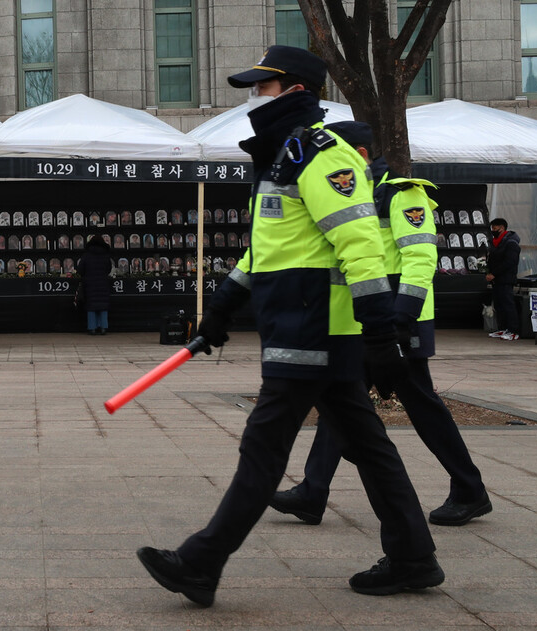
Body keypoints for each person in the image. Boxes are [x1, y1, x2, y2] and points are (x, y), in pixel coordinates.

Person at [136, 45, 442, 606]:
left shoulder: (322, 154)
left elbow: (360, 245)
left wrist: (379, 327)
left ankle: (201, 561)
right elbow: (267, 250)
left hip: (313, 328)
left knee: (263, 445)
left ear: (295, 90)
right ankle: (413, 557)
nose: (255, 97)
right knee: (369, 445)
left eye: (263, 87)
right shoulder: (284, 156)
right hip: (300, 325)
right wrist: (221, 309)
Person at [269, 121, 491, 531]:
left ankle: (470, 489)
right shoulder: (360, 195)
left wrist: (401, 320)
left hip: (398, 322)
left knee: (421, 406)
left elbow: (420, 259)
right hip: (369, 322)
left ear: (361, 155)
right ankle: (313, 491)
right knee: (344, 401)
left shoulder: (403, 193)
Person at [486, 218, 521, 341]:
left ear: (502, 228)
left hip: (506, 279)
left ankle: (513, 330)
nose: (493, 231)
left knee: (508, 304)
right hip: (496, 280)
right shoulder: (496, 242)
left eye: (495, 229)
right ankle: (503, 328)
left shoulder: (511, 243)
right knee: (499, 305)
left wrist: (494, 273)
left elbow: (510, 262)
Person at [76, 235, 112, 335]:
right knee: (103, 306)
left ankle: (92, 328)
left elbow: (80, 270)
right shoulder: (106, 255)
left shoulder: (86, 255)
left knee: (91, 306)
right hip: (103, 283)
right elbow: (108, 269)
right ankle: (103, 327)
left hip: (89, 283)